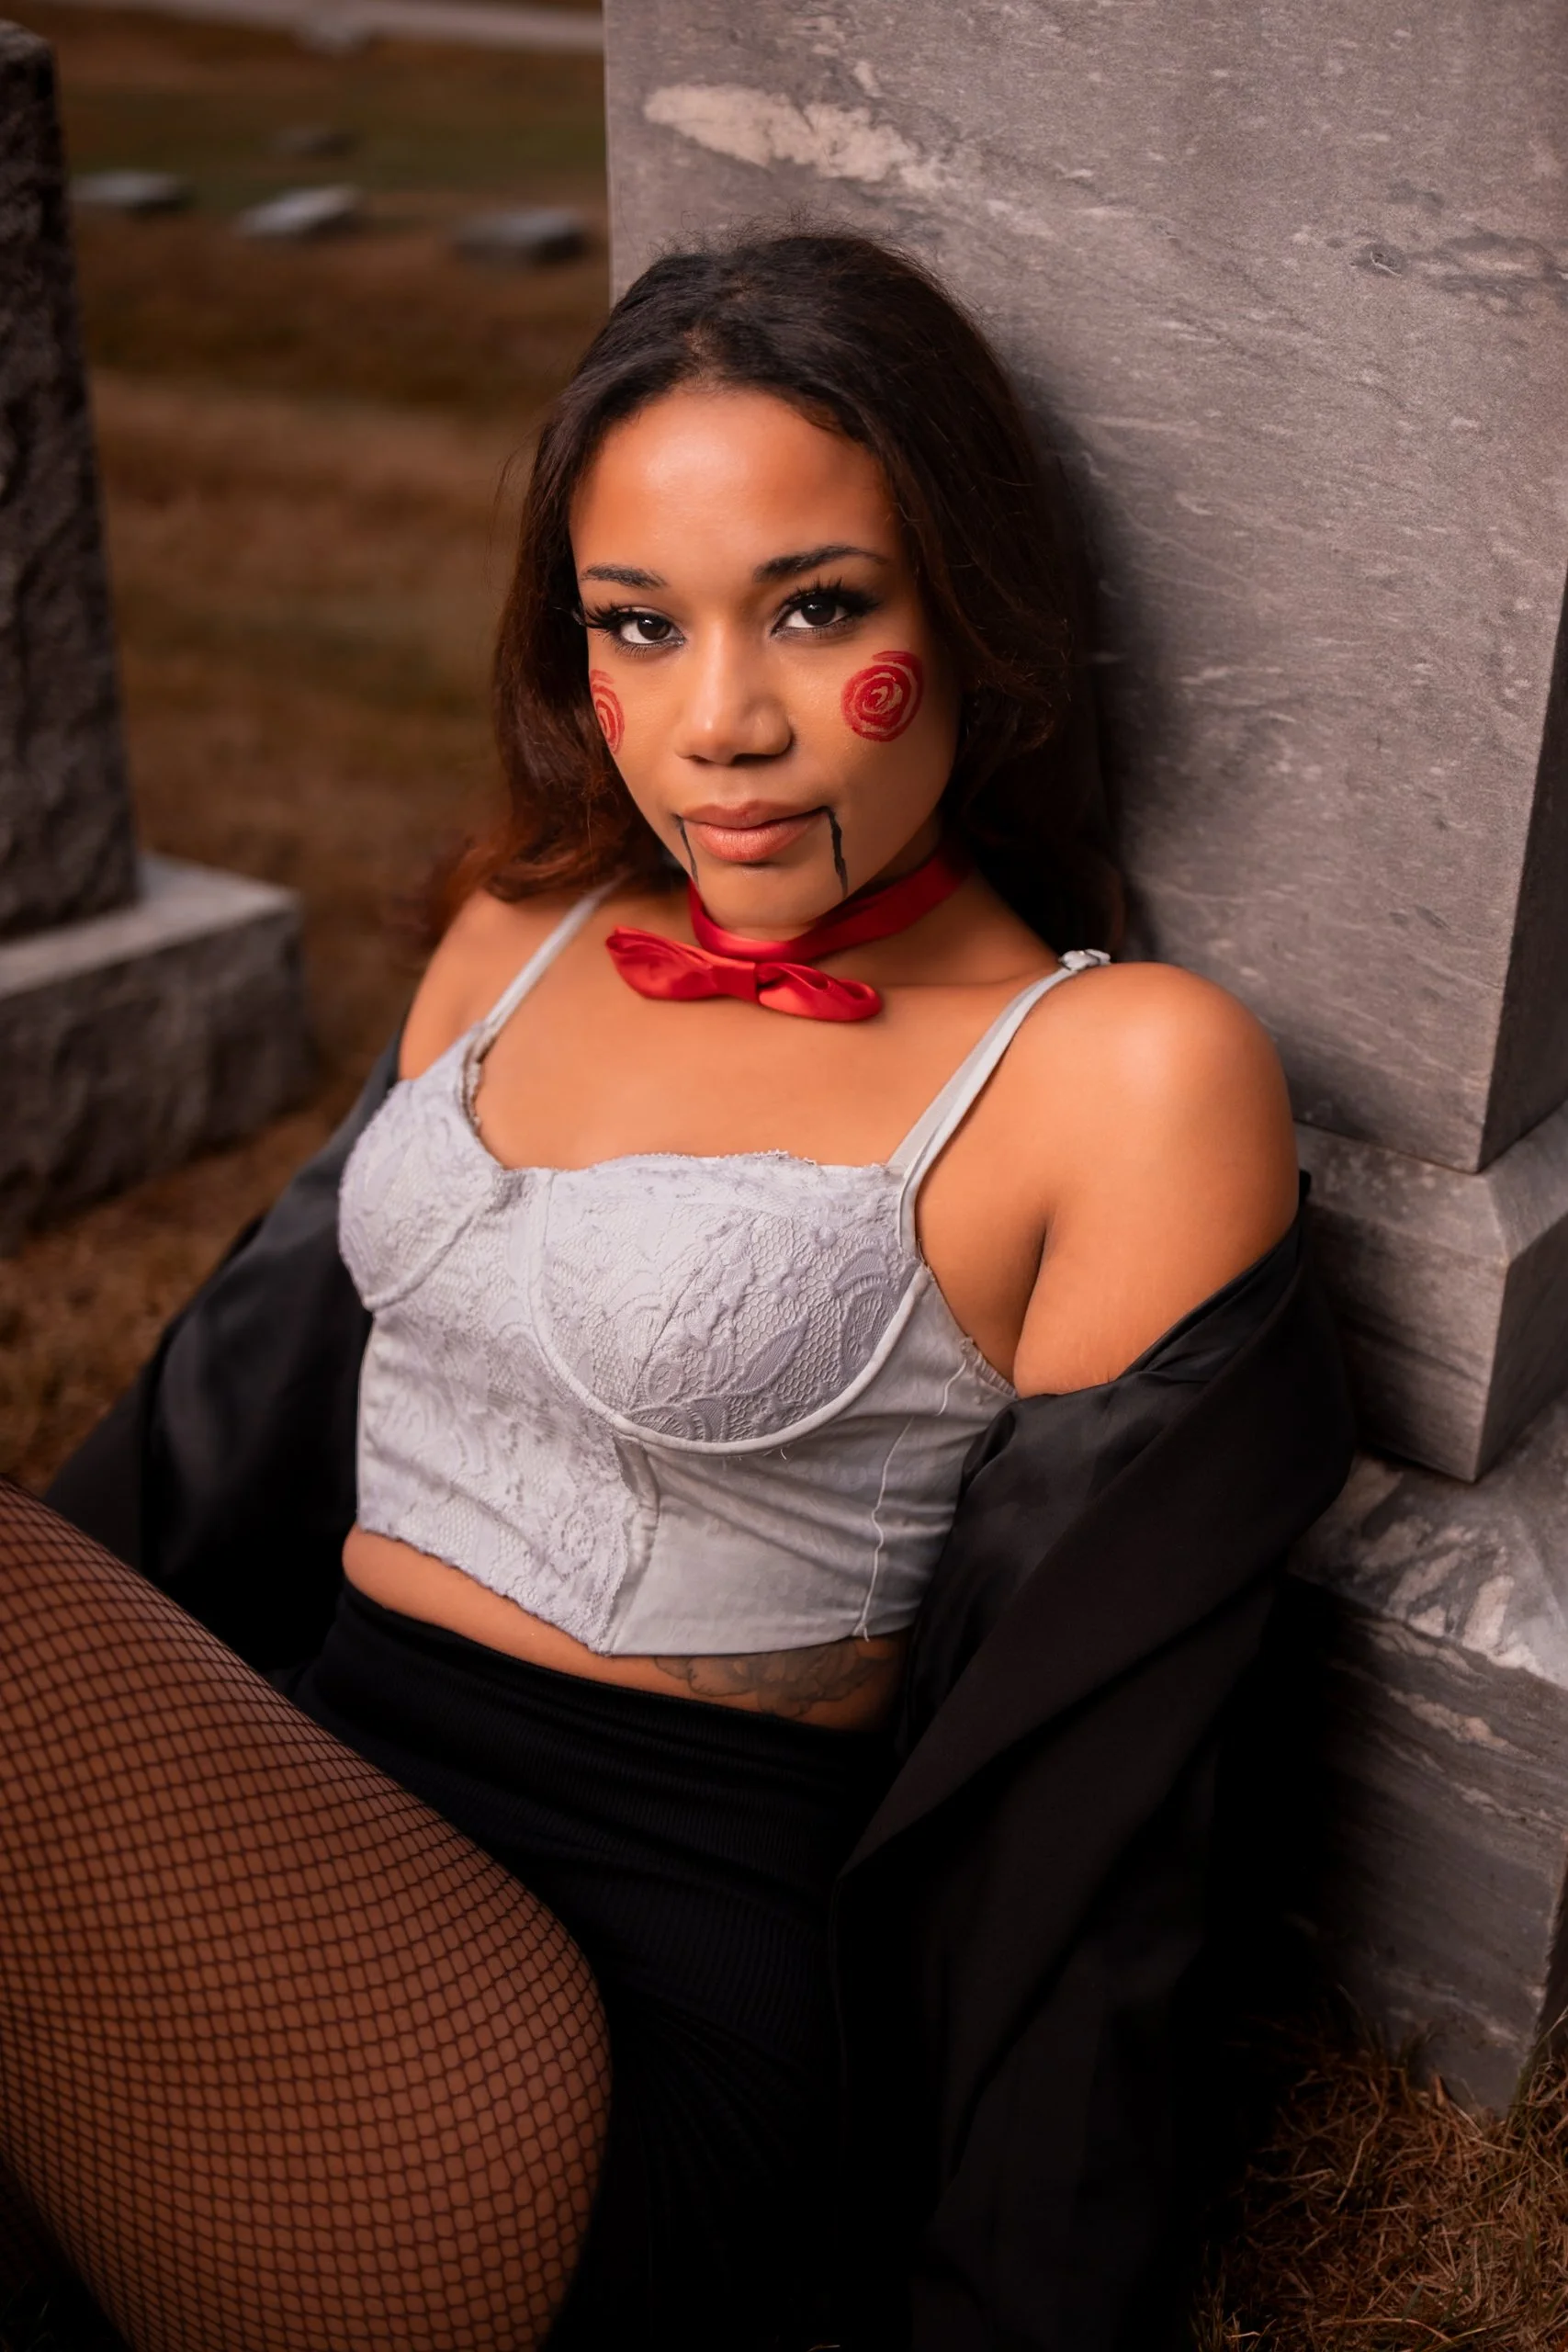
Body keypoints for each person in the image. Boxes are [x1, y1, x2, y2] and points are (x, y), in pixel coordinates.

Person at [0, 231, 1351, 2352]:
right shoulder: (519, 926)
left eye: (816, 608)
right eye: (639, 623)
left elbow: (1101, 1794)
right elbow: (228, 1428)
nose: (719, 722)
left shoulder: (1118, 1073)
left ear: (968, 611)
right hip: (284, 1845)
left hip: (595, 2056)